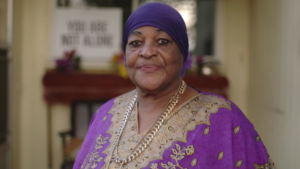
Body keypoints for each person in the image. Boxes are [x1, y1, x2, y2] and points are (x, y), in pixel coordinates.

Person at [74, 2, 276, 169]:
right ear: (126, 55)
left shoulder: (222, 119)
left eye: (162, 41)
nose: (147, 52)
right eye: (136, 43)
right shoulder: (106, 114)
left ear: (183, 53)